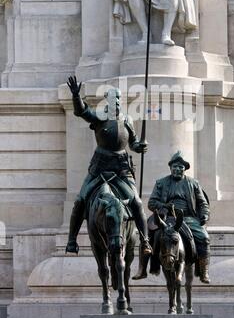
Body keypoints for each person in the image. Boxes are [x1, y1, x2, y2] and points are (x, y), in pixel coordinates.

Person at [65, 76, 152, 267]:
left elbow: (133, 143)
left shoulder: (127, 120)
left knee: (136, 201)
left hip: (121, 169)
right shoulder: (99, 117)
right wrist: (76, 96)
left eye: (119, 99)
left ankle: (145, 241)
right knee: (80, 200)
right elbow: (81, 111)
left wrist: (140, 147)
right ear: (107, 101)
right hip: (100, 168)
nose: (117, 103)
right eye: (114, 100)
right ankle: (72, 240)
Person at [133, 151, 210, 283]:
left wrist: (205, 214)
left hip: (188, 219)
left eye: (181, 166)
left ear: (185, 169)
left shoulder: (194, 183)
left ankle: (204, 271)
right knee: (146, 236)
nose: (177, 169)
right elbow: (151, 203)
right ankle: (142, 269)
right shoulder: (161, 183)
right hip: (165, 217)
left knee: (204, 238)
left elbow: (203, 203)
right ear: (170, 167)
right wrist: (164, 206)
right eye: (175, 166)